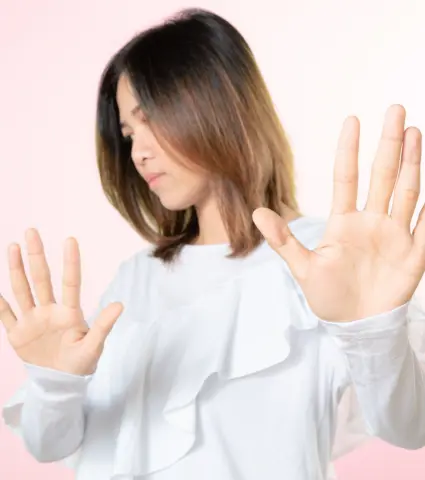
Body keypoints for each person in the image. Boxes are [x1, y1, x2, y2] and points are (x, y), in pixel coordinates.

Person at [1, 7, 425, 480]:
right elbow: (51, 443)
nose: (138, 153)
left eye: (150, 119)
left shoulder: (323, 259)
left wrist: (373, 330)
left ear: (215, 104)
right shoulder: (137, 278)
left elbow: (408, 425)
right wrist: (54, 383)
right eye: (128, 134)